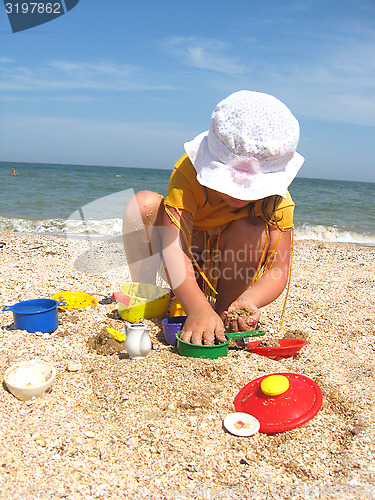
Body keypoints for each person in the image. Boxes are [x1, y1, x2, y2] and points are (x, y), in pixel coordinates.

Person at [123, 90, 304, 345]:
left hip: (227, 267)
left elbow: (278, 270)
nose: (240, 194)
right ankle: (149, 296)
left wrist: (250, 301)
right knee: (143, 204)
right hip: (184, 262)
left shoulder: (277, 199)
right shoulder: (188, 171)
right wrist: (196, 307)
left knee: (251, 228)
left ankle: (224, 311)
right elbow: (172, 247)